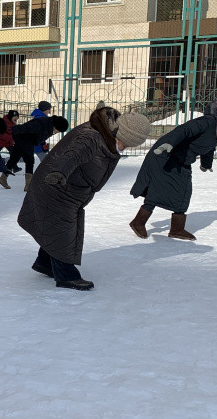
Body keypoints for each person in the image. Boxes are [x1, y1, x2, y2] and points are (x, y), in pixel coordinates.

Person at [18, 107, 150, 291]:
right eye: (125, 143)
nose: (124, 148)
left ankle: (45, 263)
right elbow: (71, 155)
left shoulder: (106, 135)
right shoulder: (91, 138)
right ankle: (66, 276)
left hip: (71, 189)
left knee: (57, 226)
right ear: (120, 133)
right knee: (63, 229)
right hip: (56, 185)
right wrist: (59, 173)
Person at [128, 101, 217, 241]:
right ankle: (138, 222)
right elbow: (183, 130)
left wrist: (206, 164)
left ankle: (177, 229)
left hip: (182, 162)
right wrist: (168, 143)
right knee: (158, 191)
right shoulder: (208, 122)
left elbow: (209, 147)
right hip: (165, 155)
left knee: (184, 193)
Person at [0, 115, 70, 191]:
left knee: (14, 158)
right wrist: (10, 130)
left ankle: (3, 178)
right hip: (25, 139)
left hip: (27, 140)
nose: (57, 133)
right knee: (29, 161)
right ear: (55, 126)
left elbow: (41, 136)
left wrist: (42, 144)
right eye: (58, 131)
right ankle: (28, 185)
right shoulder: (41, 124)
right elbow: (26, 127)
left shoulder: (49, 126)